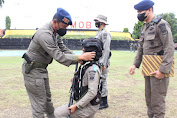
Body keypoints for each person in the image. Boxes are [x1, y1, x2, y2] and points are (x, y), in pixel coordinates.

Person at [22, 8, 96, 118]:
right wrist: (79, 57)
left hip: (41, 70)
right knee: (39, 106)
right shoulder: (45, 34)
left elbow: (63, 49)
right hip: (33, 71)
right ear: (55, 22)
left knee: (48, 102)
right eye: (64, 26)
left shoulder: (55, 33)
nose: (65, 29)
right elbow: (58, 55)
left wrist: (79, 58)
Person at [129, 0, 174, 118]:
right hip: (148, 69)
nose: (138, 14)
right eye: (137, 12)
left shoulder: (161, 25)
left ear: (149, 10)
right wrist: (135, 64)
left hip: (158, 70)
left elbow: (169, 47)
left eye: (140, 11)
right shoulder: (145, 27)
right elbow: (141, 48)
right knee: (149, 101)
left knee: (157, 103)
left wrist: (163, 70)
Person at [54, 38, 103, 118]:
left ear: (91, 54)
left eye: (84, 51)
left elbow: (92, 92)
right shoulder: (86, 66)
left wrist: (76, 106)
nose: (82, 53)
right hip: (84, 103)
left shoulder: (93, 70)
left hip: (88, 107)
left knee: (56, 114)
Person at [94, 14, 111, 109]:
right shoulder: (100, 32)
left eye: (97, 21)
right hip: (99, 61)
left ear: (102, 22)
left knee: (103, 80)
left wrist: (103, 63)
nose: (95, 22)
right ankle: (100, 100)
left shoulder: (105, 33)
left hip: (102, 61)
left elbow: (106, 50)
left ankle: (104, 102)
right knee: (99, 80)